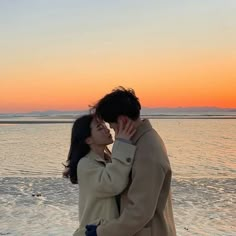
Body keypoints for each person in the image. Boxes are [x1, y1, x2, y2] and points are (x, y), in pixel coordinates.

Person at [86, 87, 176, 236]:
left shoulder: (147, 150)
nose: (113, 131)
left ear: (122, 121)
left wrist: (102, 232)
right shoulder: (140, 142)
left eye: (112, 126)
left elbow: (139, 212)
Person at [63, 114, 136, 236]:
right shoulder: (85, 164)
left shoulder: (108, 160)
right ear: (88, 139)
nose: (107, 129)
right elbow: (113, 184)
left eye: (104, 125)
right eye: (99, 127)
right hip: (94, 231)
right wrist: (122, 144)